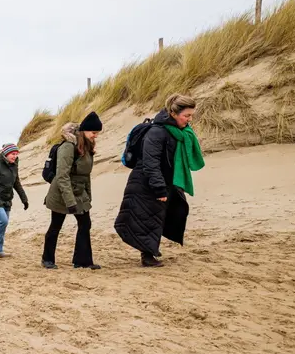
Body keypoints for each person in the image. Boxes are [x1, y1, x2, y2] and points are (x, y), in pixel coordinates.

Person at [114, 94, 204, 267]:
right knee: (148, 217)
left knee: (160, 216)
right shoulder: (157, 132)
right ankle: (148, 256)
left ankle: (150, 250)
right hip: (146, 181)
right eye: (186, 115)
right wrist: (159, 188)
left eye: (191, 115)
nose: (189, 119)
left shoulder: (179, 132)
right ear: (173, 113)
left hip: (166, 180)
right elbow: (150, 163)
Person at [42, 112, 103, 270]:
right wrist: (70, 201)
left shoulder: (88, 147)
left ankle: (82, 261)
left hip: (79, 192)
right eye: (93, 132)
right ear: (84, 131)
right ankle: (47, 259)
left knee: (85, 224)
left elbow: (86, 175)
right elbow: (62, 176)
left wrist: (87, 196)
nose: (95, 136)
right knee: (56, 226)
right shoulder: (68, 146)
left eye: (97, 133)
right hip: (61, 192)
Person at [0, 143, 28, 258]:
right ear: (6, 154)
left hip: (7, 200)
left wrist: (24, 199)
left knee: (4, 225)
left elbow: (17, 184)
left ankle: (0, 249)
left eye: (16, 154)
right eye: (12, 154)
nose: (15, 156)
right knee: (3, 221)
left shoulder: (14, 166)